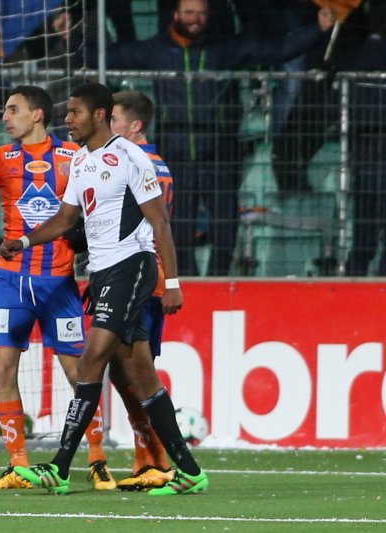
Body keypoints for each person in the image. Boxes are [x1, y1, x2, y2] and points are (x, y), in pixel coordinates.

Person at [1, 82, 207, 496]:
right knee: (140, 375)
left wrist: (173, 283)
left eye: (74, 112)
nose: (67, 119)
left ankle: (60, 468)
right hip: (102, 273)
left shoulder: (130, 157)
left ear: (98, 115)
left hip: (131, 267)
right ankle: (190, 472)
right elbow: (63, 220)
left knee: (91, 361)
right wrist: (23, 242)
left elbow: (159, 223)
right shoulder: (80, 161)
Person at [0, 85, 115, 491]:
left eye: (13, 110)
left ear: (37, 114)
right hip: (10, 281)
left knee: (80, 373)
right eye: (5, 110)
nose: (5, 117)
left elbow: (95, 214)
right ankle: (17, 464)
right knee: (3, 367)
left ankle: (96, 458)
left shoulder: (73, 158)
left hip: (59, 282)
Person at [97, 0, 336, 275]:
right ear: (175, 15)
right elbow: (105, 56)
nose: (195, 18)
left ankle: (219, 284)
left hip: (219, 155)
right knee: (179, 231)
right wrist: (70, 37)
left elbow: (278, 50)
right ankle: (187, 288)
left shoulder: (223, 49)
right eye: (189, 12)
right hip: (176, 158)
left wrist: (318, 28)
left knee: (225, 230)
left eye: (201, 13)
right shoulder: (156, 49)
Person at [108, 90, 175, 490]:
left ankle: (155, 456)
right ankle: (148, 452)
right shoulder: (156, 163)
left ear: (135, 126)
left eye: (114, 119)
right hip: (144, 275)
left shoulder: (138, 163)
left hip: (141, 277)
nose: (109, 126)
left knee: (136, 368)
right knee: (122, 368)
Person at [344, 4, 386, 276]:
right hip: (373, 157)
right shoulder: (373, 52)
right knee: (365, 240)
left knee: (364, 240)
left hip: (368, 157)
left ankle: (353, 286)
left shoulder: (363, 51)